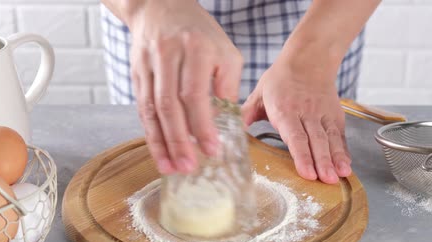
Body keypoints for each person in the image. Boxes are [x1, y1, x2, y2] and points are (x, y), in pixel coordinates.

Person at [100, 0, 380, 184]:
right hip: (156, 29)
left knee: (310, 148)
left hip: (321, 19)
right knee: (161, 145)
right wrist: (147, 6)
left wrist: (311, 60)